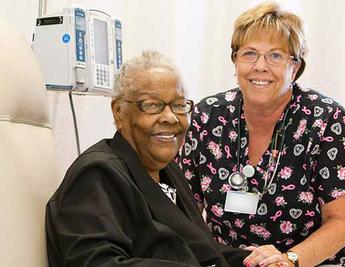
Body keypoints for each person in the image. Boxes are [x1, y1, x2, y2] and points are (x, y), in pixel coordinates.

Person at [177, 2, 345, 267]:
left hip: (318, 258)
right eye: (250, 53)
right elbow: (187, 213)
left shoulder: (326, 119)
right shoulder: (206, 116)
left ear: (296, 67)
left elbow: (342, 221)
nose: (260, 66)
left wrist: (290, 261)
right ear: (235, 60)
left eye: (275, 55)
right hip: (235, 259)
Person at [45, 51, 250, 266]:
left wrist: (256, 261)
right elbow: (98, 262)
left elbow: (202, 250)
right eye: (152, 105)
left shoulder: (169, 171)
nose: (170, 117)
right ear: (118, 112)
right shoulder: (97, 174)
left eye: (179, 105)